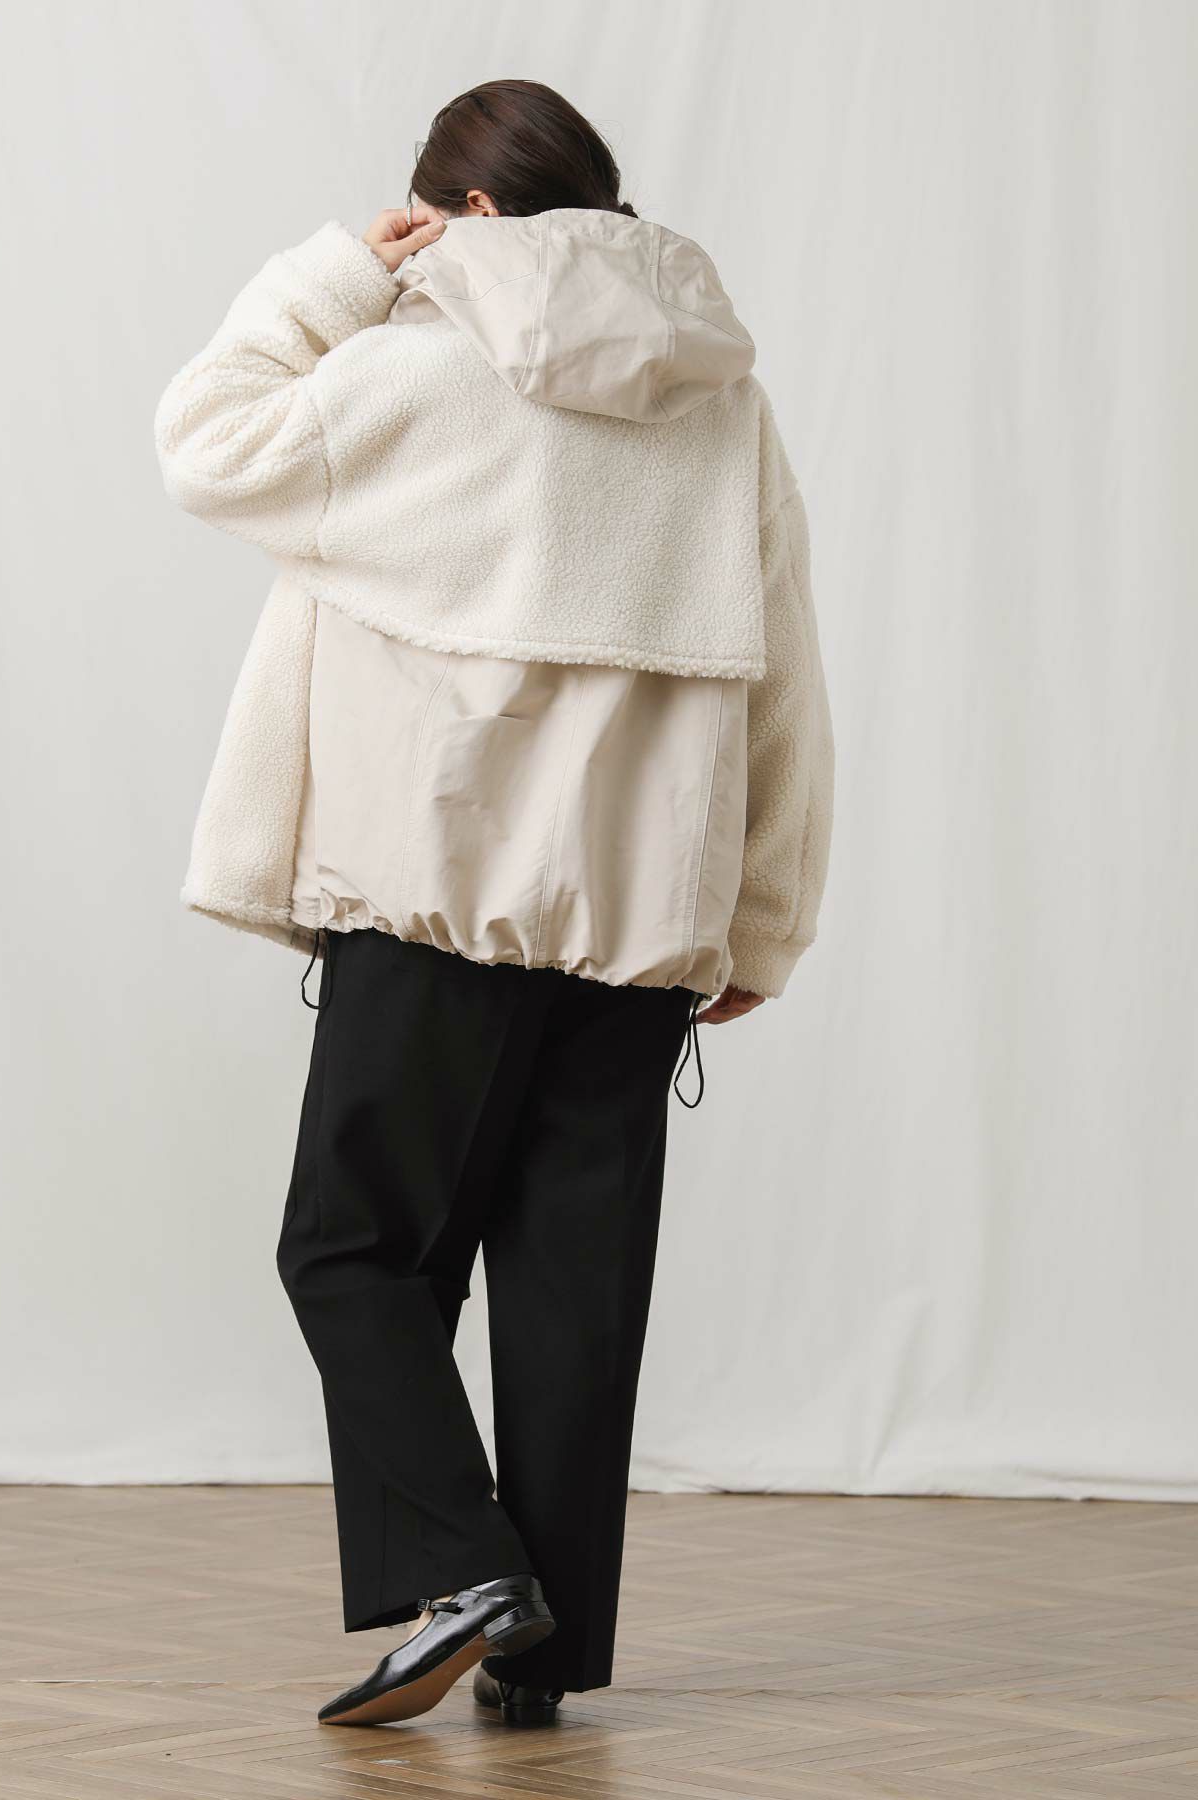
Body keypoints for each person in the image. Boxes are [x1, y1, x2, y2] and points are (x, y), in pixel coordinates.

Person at [153, 78, 834, 1729]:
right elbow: (786, 678)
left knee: (353, 1249)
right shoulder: (720, 402)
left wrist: (343, 270)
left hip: (433, 905)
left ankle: (466, 1570)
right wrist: (761, 917)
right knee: (570, 1293)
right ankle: (538, 1660)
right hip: (639, 926)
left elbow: (206, 437)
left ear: (461, 213)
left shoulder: (406, 369)